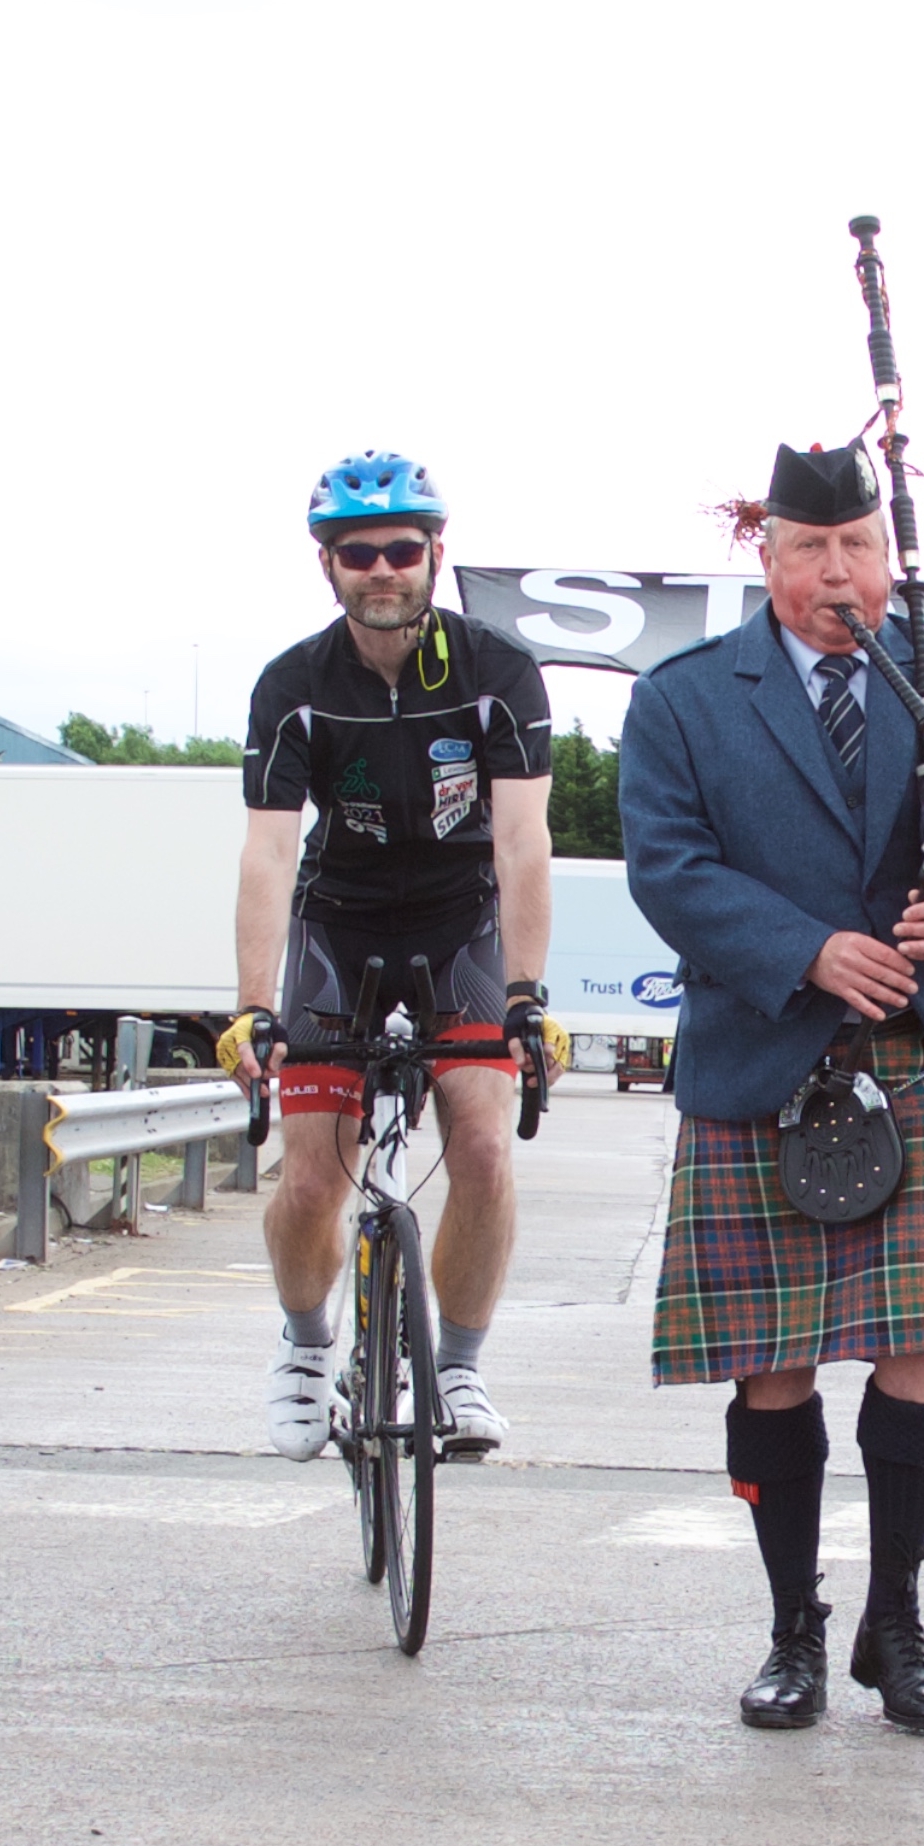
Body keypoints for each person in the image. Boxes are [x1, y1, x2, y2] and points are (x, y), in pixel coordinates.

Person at [617, 440, 924, 1734]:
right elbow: (666, 866)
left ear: (889, 557)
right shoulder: (682, 700)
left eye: (861, 548)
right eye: (811, 548)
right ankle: (792, 1632)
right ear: (767, 556)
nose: (839, 572)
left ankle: (897, 1625)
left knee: (915, 1350)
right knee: (772, 1367)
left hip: (910, 1053)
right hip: (764, 1055)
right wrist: (806, 950)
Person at [234, 452, 554, 1457]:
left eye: (403, 549)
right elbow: (269, 851)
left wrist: (526, 995)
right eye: (359, 552)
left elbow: (522, 845)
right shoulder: (293, 685)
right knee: (311, 1180)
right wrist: (252, 1005)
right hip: (342, 923)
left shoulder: (496, 672)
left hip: (460, 922)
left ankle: (456, 1367)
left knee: (484, 1144)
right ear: (327, 564)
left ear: (434, 555)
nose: (384, 569)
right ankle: (300, 1352)